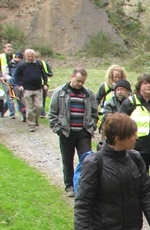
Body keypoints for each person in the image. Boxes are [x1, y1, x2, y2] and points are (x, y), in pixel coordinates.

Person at [48, 67, 99, 197]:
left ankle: (85, 186)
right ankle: (69, 185)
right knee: (67, 160)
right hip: (66, 133)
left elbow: (94, 112)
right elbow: (52, 113)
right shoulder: (60, 92)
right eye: (78, 81)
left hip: (83, 133)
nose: (80, 84)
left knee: (87, 160)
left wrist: (91, 127)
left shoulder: (88, 94)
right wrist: (58, 129)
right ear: (71, 77)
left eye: (83, 81)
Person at [13, 48, 48, 132]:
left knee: (39, 107)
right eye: (29, 56)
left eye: (32, 56)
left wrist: (45, 84)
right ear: (25, 56)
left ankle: (35, 119)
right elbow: (16, 76)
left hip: (38, 88)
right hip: (27, 89)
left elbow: (44, 74)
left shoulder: (39, 64)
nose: (31, 58)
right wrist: (19, 85)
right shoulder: (22, 65)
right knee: (29, 109)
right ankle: (31, 125)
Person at [35, 51, 53, 118]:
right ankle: (40, 112)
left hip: (44, 84)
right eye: (35, 58)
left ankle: (42, 113)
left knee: (43, 98)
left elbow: (51, 74)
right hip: (35, 84)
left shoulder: (45, 64)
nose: (37, 59)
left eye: (38, 58)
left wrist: (45, 73)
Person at [0, 43, 16, 119]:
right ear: (4, 49)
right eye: (8, 50)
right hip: (3, 78)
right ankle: (12, 113)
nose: (9, 51)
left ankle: (2, 111)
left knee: (11, 95)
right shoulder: (1, 57)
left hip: (12, 78)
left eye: (10, 50)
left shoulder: (14, 57)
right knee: (9, 94)